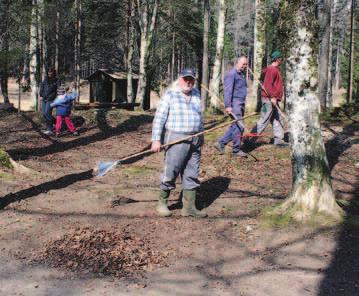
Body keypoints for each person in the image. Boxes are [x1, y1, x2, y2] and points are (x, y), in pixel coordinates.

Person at [151, 68, 207, 218]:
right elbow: (159, 118)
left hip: (195, 138)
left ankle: (189, 207)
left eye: (191, 79)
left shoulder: (196, 93)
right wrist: (156, 139)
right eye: (186, 79)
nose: (188, 82)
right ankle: (162, 203)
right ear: (180, 79)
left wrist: (201, 133)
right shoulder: (170, 95)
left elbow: (199, 115)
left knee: (192, 172)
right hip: (176, 137)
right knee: (172, 170)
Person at [248, 50, 287, 147]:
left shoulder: (273, 69)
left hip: (273, 100)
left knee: (277, 119)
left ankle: (279, 140)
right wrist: (273, 97)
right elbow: (267, 85)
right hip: (269, 99)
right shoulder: (272, 70)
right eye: (281, 58)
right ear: (277, 59)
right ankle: (249, 139)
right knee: (264, 119)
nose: (282, 60)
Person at [214, 56, 248, 157]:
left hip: (240, 103)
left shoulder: (241, 74)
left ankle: (221, 143)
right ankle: (236, 150)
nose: (245, 66)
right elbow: (228, 91)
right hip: (235, 104)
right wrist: (228, 105)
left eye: (246, 64)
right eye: (243, 64)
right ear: (237, 63)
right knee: (239, 126)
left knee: (235, 126)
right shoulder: (231, 74)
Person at [39, 68, 59, 135]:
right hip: (44, 98)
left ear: (54, 73)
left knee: (47, 113)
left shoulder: (56, 80)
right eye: (49, 72)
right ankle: (56, 124)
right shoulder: (45, 79)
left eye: (51, 72)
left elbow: (54, 90)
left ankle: (50, 129)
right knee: (44, 114)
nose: (50, 73)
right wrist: (41, 94)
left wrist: (53, 97)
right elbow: (42, 87)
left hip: (50, 99)